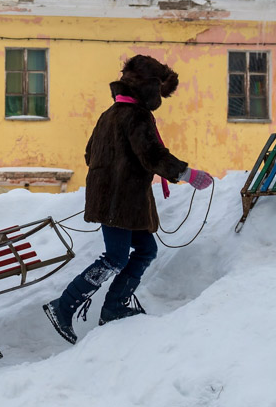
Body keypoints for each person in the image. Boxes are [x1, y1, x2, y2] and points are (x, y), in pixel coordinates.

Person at [43, 54, 213, 344]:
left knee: (145, 249)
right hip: (120, 201)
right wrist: (186, 173)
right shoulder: (137, 115)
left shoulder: (109, 114)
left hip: (117, 199)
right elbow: (151, 155)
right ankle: (64, 305)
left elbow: (89, 154)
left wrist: (115, 169)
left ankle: (114, 307)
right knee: (116, 257)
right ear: (149, 88)